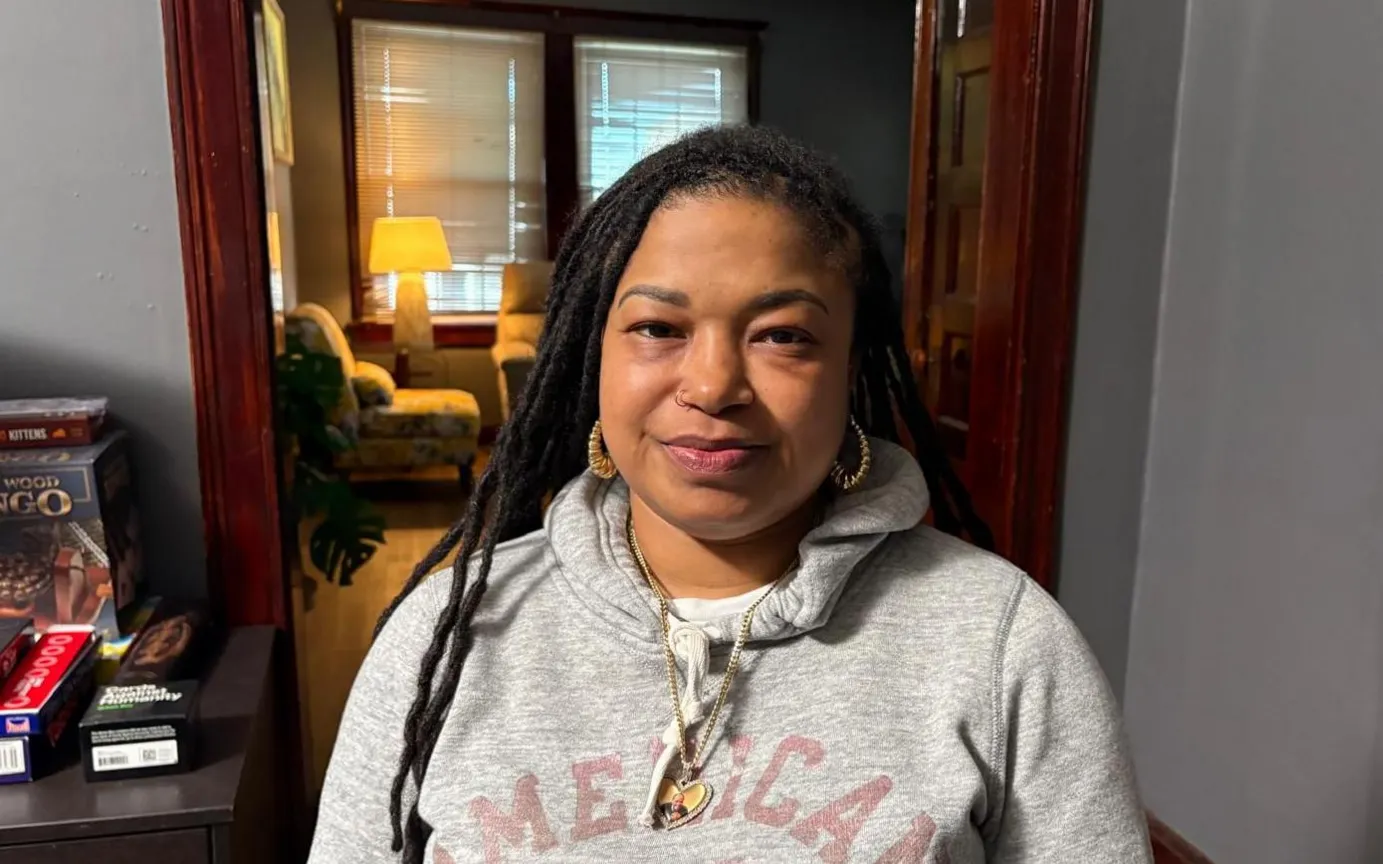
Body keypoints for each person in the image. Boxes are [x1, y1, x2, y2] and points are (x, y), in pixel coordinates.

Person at [309, 126, 1151, 863]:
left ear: (851, 371)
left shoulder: (1005, 647)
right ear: (588, 356)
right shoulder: (450, 636)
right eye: (658, 329)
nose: (712, 386)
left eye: (783, 335)